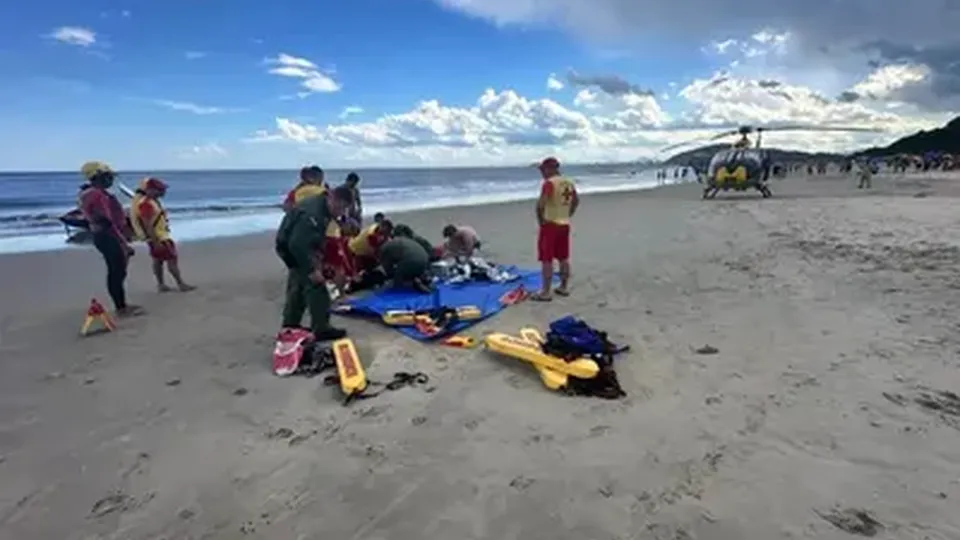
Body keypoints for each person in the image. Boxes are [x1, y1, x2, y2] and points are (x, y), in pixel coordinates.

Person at [275, 185, 354, 340]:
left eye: (344, 209)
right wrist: (312, 269)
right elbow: (297, 245)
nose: (340, 212)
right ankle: (322, 328)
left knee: (298, 284)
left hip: (296, 244)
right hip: (293, 247)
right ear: (331, 198)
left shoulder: (323, 204)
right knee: (316, 286)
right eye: (339, 207)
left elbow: (312, 238)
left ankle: (290, 326)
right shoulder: (313, 214)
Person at [78, 161, 144, 316]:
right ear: (98, 177)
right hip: (108, 236)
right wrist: (123, 243)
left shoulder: (90, 193)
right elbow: (107, 222)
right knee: (117, 272)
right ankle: (121, 308)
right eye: (108, 176)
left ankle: (121, 305)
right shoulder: (97, 194)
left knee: (117, 271)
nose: (111, 180)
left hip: (105, 236)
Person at [130, 178, 196, 292]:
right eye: (160, 189)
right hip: (160, 237)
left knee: (158, 260)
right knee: (171, 259)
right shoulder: (146, 204)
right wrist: (156, 242)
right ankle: (181, 284)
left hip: (157, 236)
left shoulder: (152, 201)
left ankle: (161, 285)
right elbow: (148, 225)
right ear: (150, 190)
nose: (163, 192)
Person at [532, 157, 577, 301]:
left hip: (550, 224)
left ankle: (546, 292)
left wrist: (541, 221)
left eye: (543, 170)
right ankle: (563, 287)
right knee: (563, 257)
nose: (542, 173)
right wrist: (568, 214)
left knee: (547, 258)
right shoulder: (568, 182)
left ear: (550, 169)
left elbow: (540, 205)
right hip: (564, 223)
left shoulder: (549, 183)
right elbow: (576, 201)